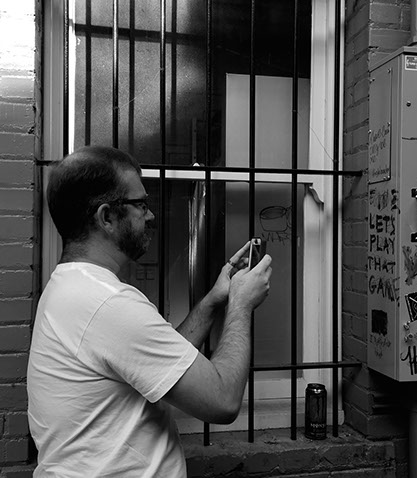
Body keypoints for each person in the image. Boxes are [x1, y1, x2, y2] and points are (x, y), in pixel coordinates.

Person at [27, 145, 272, 477]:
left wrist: (215, 299)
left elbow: (164, 365)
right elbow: (223, 400)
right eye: (140, 204)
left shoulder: (71, 287)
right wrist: (242, 305)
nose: (151, 214)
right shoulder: (107, 303)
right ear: (107, 217)